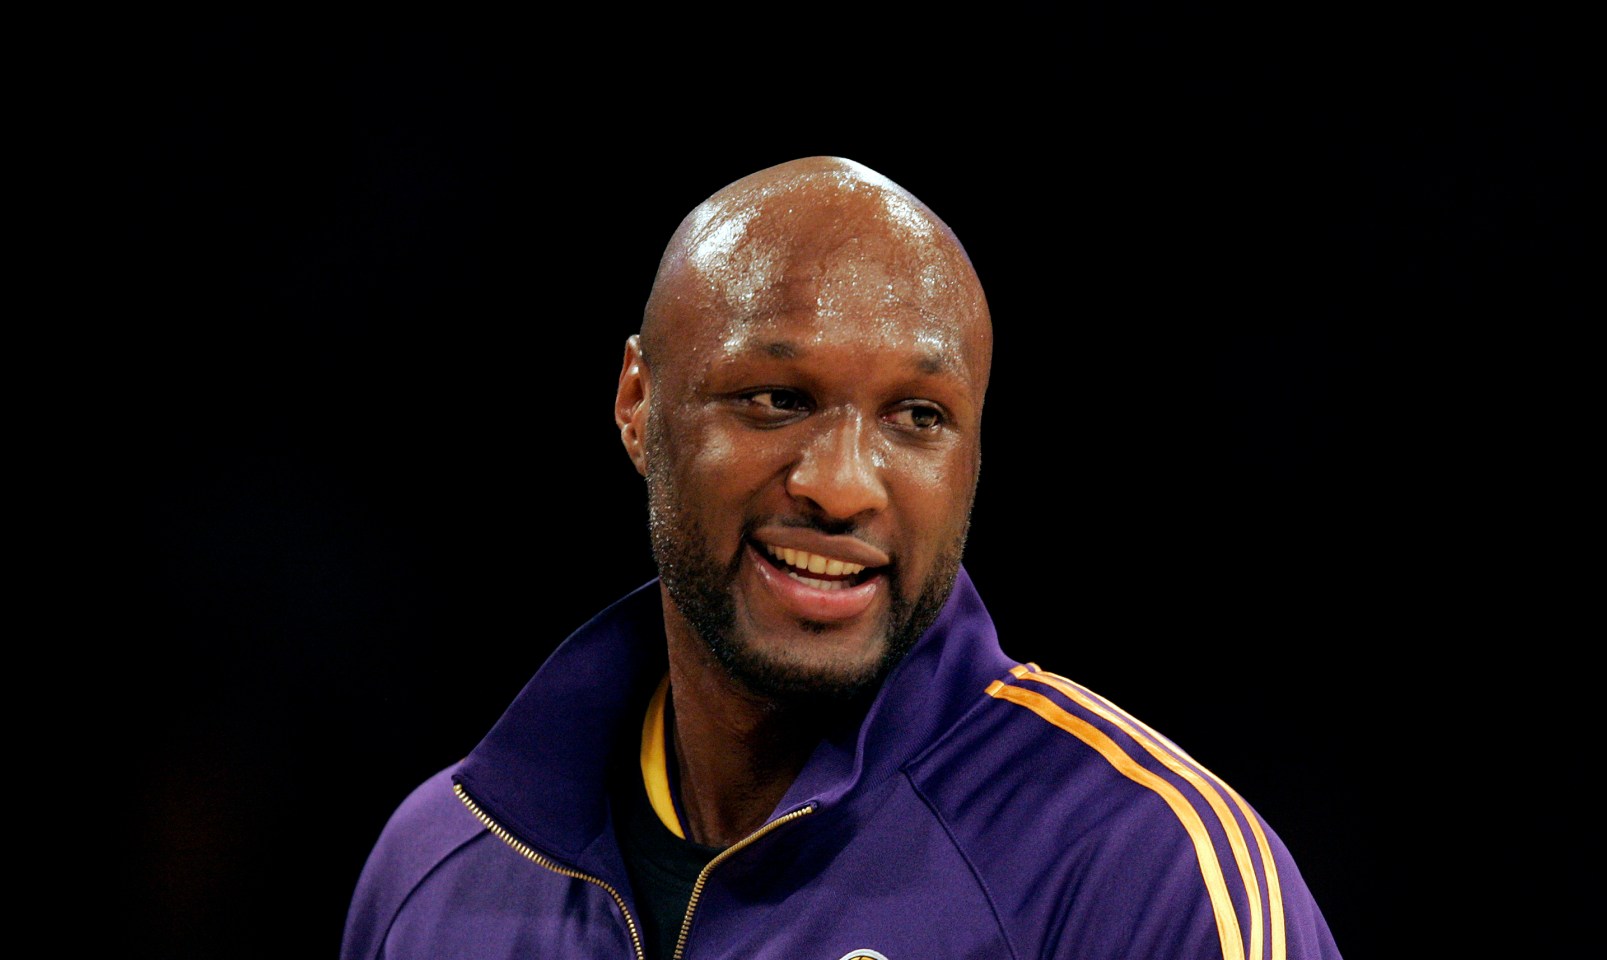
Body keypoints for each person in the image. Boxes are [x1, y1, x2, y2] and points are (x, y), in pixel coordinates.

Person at [341, 156, 1343, 960]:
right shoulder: (441, 867)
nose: (844, 483)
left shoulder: (1145, 878)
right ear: (637, 405)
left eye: (918, 418)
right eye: (776, 399)